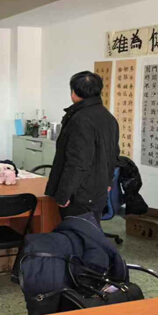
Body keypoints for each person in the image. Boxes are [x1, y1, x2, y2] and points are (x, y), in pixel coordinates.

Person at [45, 71, 119, 223]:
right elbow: (114, 153)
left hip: (80, 194)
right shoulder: (108, 117)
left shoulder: (80, 119)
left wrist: (64, 193)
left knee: (77, 232)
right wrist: (108, 181)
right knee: (90, 230)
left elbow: (77, 162)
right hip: (98, 190)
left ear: (73, 92)